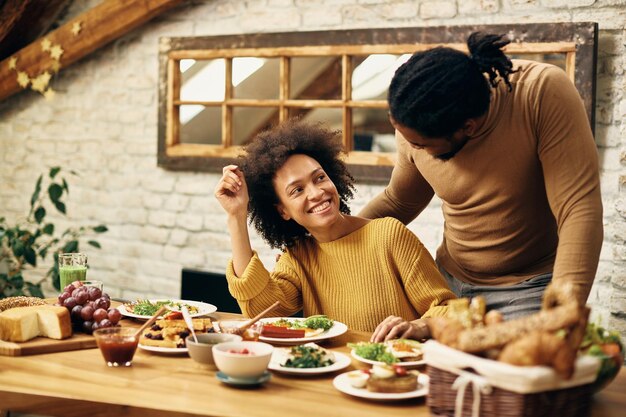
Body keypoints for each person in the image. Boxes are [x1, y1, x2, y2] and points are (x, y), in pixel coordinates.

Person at [359, 32, 603, 319]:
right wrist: (326, 239)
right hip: (448, 286)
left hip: (527, 291)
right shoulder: (415, 115)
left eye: (422, 145)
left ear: (469, 128)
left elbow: (578, 209)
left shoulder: (540, 92)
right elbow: (400, 201)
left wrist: (562, 313)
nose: (412, 146)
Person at [214, 119, 456, 342]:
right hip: (330, 378)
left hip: (392, 374)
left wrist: (417, 327)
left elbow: (447, 308)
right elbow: (259, 309)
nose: (317, 192)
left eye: (319, 178)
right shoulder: (299, 256)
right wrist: (236, 215)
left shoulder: (389, 235)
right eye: (297, 190)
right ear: (282, 211)